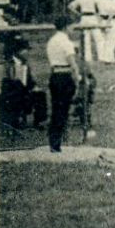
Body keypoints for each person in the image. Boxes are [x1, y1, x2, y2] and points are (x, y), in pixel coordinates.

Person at [44, 17, 79, 153]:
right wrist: (77, 77)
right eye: (71, 27)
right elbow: (72, 62)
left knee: (56, 110)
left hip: (55, 75)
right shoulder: (66, 42)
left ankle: (54, 141)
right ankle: (56, 143)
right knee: (62, 111)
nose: (72, 30)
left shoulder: (52, 41)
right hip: (64, 76)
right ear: (66, 27)